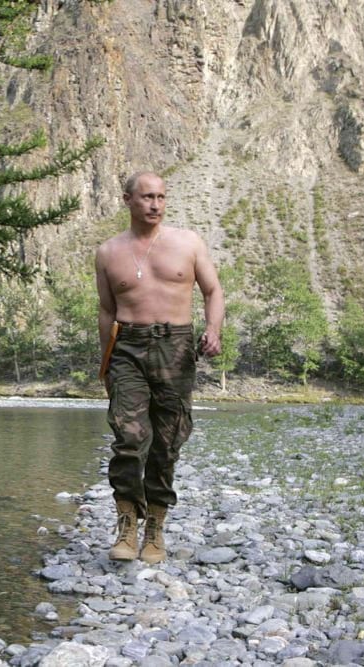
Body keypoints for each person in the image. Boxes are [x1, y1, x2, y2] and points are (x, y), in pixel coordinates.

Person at [94, 171, 224, 563]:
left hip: (176, 346)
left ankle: (155, 529)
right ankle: (127, 525)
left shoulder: (188, 243)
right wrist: (105, 367)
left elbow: (213, 291)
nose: (155, 204)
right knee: (129, 439)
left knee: (167, 443)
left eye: (161, 197)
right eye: (147, 196)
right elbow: (106, 311)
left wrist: (214, 329)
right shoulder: (107, 252)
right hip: (127, 348)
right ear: (127, 199)